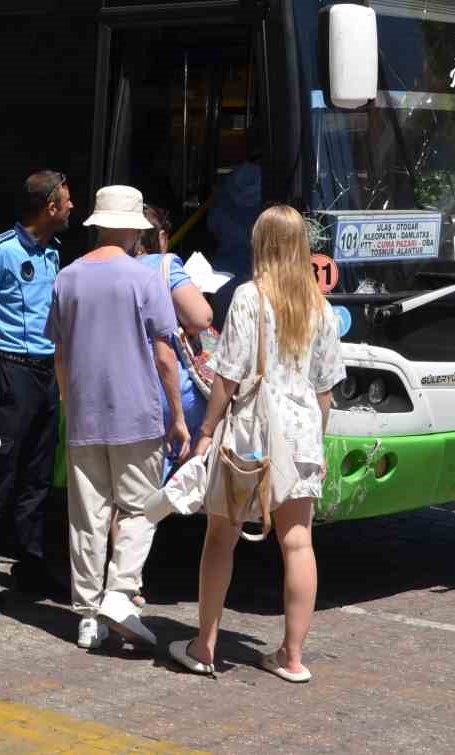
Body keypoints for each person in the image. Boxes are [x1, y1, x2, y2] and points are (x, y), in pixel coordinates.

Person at [167, 205, 343, 683]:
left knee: (221, 536)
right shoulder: (320, 306)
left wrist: (205, 433)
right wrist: (318, 445)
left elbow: (228, 377)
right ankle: (292, 657)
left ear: (261, 244)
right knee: (298, 542)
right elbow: (325, 389)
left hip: (252, 435)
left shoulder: (248, 298)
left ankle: (204, 645)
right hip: (302, 433)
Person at [47, 184, 190, 650]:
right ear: (134, 229)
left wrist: (70, 402)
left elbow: (60, 352)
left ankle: (88, 615)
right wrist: (178, 415)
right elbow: (165, 354)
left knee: (87, 517)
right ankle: (121, 592)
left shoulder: (67, 277)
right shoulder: (145, 278)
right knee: (142, 509)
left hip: (85, 414)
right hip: (137, 411)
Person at [0, 170, 75, 610]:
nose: (71, 208)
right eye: (66, 201)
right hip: (11, 373)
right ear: (49, 207)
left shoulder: (54, 253)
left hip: (45, 375)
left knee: (38, 478)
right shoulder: (1, 251)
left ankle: (31, 565)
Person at [134, 205, 214, 482]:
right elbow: (200, 317)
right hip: (164, 398)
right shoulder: (163, 264)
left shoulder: (91, 267)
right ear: (161, 237)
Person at [206, 159, 262, 278]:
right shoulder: (264, 211)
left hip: (225, 267)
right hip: (254, 268)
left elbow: (212, 227)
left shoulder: (222, 203)